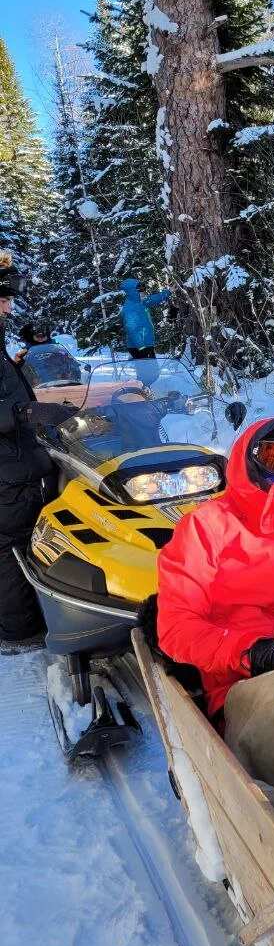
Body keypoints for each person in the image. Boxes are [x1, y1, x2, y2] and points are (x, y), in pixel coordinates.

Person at [156, 415, 274, 721]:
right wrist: (255, 653)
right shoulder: (205, 526)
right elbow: (176, 630)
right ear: (249, 456)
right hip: (236, 685)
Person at [0, 258, 76, 651]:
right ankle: (18, 632)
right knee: (12, 545)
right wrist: (27, 412)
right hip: (6, 470)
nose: (9, 308)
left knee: (26, 536)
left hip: (18, 462)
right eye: (2, 300)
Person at [120, 277, 170, 360]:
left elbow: (153, 299)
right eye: (141, 290)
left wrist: (169, 292)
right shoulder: (129, 308)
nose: (144, 292)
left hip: (146, 344)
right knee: (149, 372)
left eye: (144, 289)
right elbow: (132, 330)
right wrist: (141, 348)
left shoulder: (141, 301)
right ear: (133, 291)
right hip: (139, 347)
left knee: (152, 371)